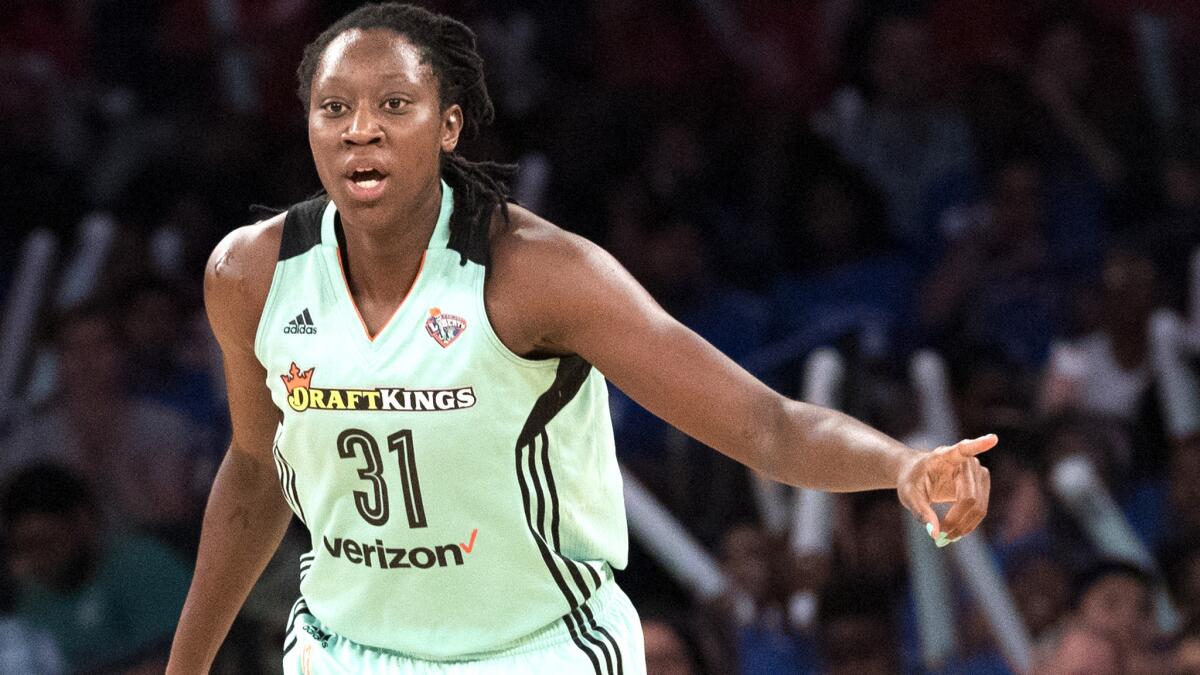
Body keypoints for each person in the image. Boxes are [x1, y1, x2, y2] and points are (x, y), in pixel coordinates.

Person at [167, 4, 995, 673]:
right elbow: (252, 467)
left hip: (536, 653)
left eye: (394, 105)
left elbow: (766, 426)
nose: (361, 130)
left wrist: (901, 465)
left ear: (450, 126)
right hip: (341, 652)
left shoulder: (538, 275)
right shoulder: (250, 274)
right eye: (334, 108)